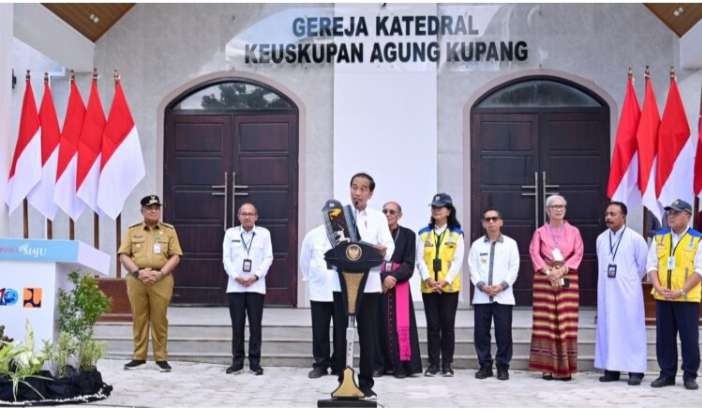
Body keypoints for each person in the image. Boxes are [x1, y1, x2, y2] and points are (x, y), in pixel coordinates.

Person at [332, 172, 394, 400]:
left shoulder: (378, 218)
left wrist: (375, 248)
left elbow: (389, 247)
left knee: (368, 334)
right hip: (343, 285)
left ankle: (367, 382)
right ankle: (343, 379)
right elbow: (333, 246)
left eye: (363, 188)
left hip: (368, 286)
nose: (357, 192)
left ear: (370, 193)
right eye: (354, 187)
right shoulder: (339, 216)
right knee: (341, 334)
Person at [119, 194, 183, 373]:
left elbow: (176, 256)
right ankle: (138, 356)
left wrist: (161, 273)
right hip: (137, 278)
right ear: (142, 211)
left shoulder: (169, 231)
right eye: (149, 208)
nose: (154, 211)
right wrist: (138, 273)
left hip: (161, 279)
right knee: (139, 317)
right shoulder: (133, 231)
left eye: (156, 208)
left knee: (159, 318)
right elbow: (123, 255)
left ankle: (160, 357)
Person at [646, 199, 702, 390]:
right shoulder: (660, 237)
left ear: (687, 215)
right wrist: (658, 286)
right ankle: (667, 374)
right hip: (663, 296)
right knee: (664, 338)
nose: (671, 216)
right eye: (669, 213)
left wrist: (682, 290)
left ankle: (690, 375)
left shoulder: (697, 239)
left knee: (689, 339)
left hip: (686, 298)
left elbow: (699, 270)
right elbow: (651, 265)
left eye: (676, 213)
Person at [527, 194, 583, 381]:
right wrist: (548, 271)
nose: (558, 209)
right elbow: (534, 253)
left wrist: (563, 270)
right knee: (547, 322)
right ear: (547, 210)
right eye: (554, 206)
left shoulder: (574, 231)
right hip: (545, 278)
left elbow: (579, 253)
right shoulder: (540, 232)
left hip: (568, 277)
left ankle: (566, 368)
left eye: (562, 206)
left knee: (566, 321)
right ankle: (547, 367)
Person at [594, 201, 648, 385]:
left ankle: (636, 370)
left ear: (623, 217)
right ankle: (612, 368)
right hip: (607, 292)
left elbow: (642, 266)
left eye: (613, 214)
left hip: (629, 293)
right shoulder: (601, 238)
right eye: (607, 213)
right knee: (609, 328)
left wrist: (628, 281)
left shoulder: (635, 239)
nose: (608, 217)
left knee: (631, 329)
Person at [416, 193, 465, 377]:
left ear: (448, 211)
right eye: (434, 207)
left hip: (449, 288)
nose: (436, 210)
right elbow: (420, 260)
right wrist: (428, 278)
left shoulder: (456, 233)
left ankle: (447, 364)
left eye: (440, 207)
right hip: (429, 287)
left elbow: (458, 260)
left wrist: (445, 281)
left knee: (447, 325)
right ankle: (433, 363)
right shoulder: (423, 233)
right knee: (433, 325)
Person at [468, 208, 519, 381]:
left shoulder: (511, 244)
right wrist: (481, 286)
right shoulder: (476, 245)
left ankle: (503, 366)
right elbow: (472, 268)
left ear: (500, 222)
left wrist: (502, 286)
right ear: (483, 223)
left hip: (503, 297)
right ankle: (485, 366)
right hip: (482, 297)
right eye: (487, 219)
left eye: (494, 219)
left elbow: (514, 268)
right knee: (481, 333)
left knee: (503, 333)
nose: (491, 222)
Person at [222, 202, 273, 376]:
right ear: (238, 216)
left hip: (256, 286)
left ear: (256, 217)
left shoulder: (264, 234)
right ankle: (237, 362)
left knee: (255, 326)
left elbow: (268, 258)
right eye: (244, 214)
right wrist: (236, 276)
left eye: (251, 214)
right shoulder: (230, 233)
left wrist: (255, 276)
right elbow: (226, 258)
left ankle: (254, 363)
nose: (247, 217)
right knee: (237, 326)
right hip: (235, 286)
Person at [373, 201, 422, 379]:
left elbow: (409, 263)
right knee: (377, 326)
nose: (388, 214)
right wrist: (382, 279)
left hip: (399, 284)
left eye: (392, 211)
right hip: (377, 286)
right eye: (384, 211)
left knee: (401, 326)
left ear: (399, 215)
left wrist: (392, 277)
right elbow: (369, 261)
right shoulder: (375, 234)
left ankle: (401, 366)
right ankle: (379, 366)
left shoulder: (408, 235)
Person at [299, 224, 337, 379]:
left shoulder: (347, 235)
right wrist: (311, 279)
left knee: (340, 331)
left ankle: (338, 365)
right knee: (320, 330)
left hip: (340, 290)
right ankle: (321, 364)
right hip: (319, 291)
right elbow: (304, 260)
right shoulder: (312, 234)